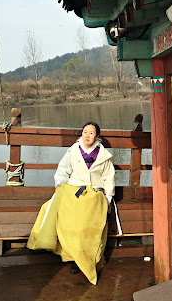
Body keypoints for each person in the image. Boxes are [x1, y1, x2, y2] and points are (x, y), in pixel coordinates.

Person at [27, 122, 115, 285]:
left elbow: (109, 178)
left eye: (91, 133)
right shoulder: (73, 151)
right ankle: (72, 256)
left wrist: (108, 197)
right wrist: (60, 183)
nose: (87, 135)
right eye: (85, 132)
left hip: (95, 194)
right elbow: (62, 170)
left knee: (88, 227)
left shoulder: (103, 156)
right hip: (74, 190)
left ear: (97, 137)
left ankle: (89, 259)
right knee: (69, 222)